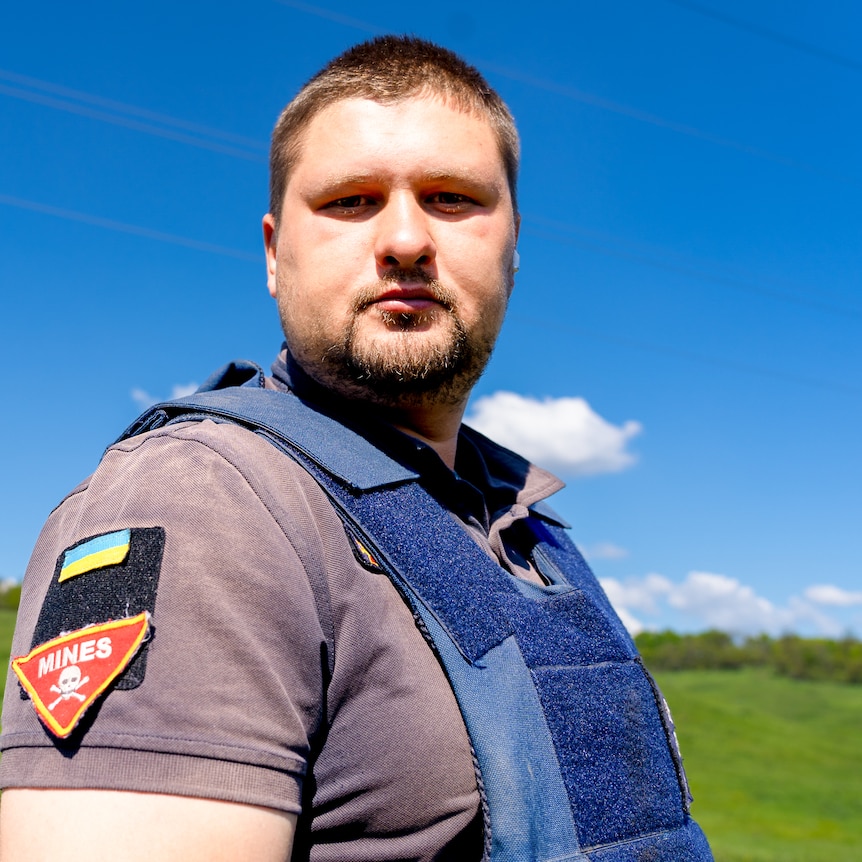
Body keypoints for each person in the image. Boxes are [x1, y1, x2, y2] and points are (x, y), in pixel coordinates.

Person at [0, 36, 712, 862]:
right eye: (350, 201)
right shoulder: (202, 499)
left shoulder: (535, 529)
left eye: (452, 199)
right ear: (274, 254)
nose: (406, 239)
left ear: (514, 247)